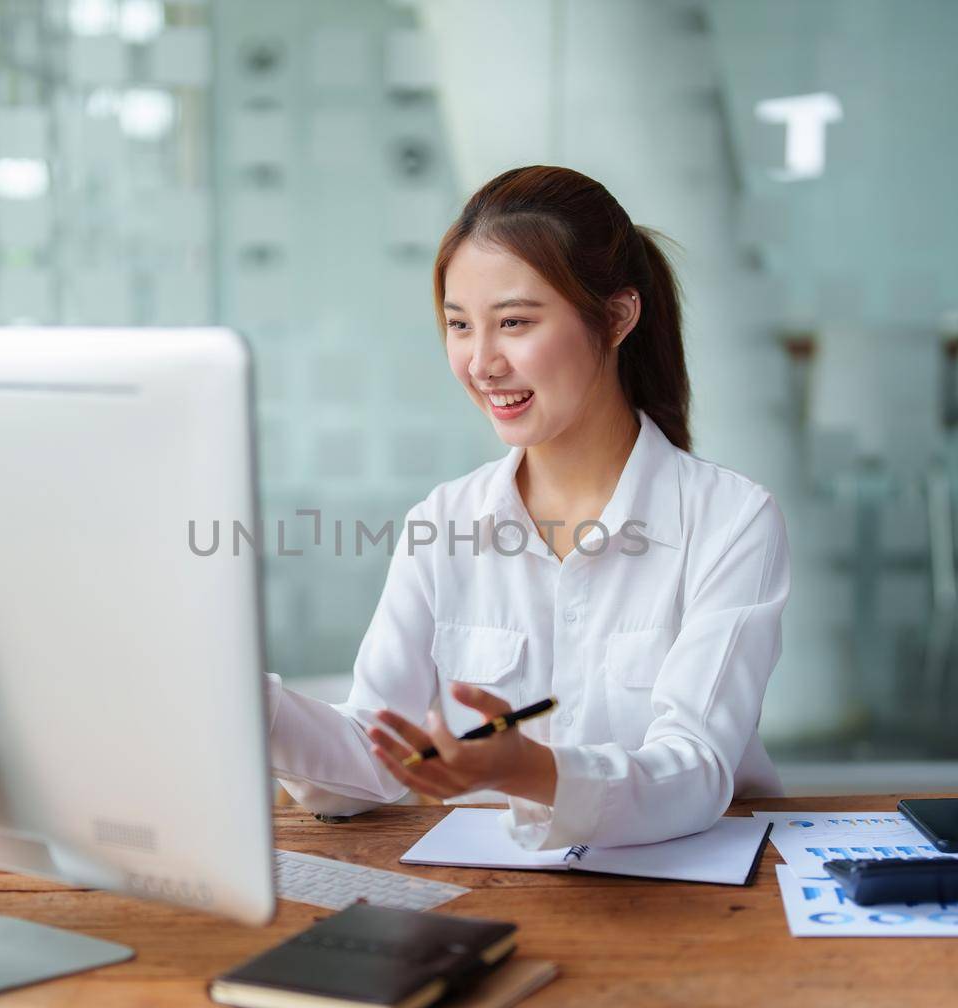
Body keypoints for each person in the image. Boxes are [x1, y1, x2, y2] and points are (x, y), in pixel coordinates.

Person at [265, 164, 789, 850]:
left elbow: (696, 769)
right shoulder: (443, 522)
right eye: (460, 325)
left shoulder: (731, 519)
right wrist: (247, 702)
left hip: (702, 905)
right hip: (497, 896)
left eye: (513, 322)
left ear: (617, 316)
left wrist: (538, 772)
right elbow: (376, 753)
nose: (481, 363)